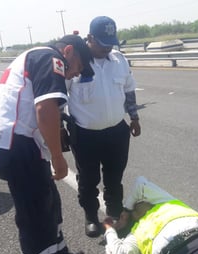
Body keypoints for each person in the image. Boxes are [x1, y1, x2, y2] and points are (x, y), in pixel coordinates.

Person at [0, 35, 94, 254]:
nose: (75, 75)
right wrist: (58, 156)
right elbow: (45, 109)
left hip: (20, 143)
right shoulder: (50, 58)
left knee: (49, 203)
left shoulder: (35, 55)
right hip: (19, 146)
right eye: (78, 68)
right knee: (34, 216)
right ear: (68, 52)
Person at [67, 16, 141, 237]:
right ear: (89, 38)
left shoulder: (119, 60)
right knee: (88, 179)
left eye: (111, 42)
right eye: (102, 42)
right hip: (85, 134)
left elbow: (129, 89)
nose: (108, 47)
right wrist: (62, 128)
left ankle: (114, 213)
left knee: (114, 176)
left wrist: (134, 117)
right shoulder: (77, 61)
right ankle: (91, 216)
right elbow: (60, 95)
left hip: (117, 132)